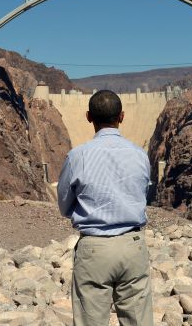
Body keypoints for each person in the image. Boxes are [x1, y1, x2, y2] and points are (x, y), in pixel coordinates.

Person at [57, 89, 153, 326]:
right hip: (133, 246)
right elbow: (142, 194)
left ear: (89, 117)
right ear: (122, 116)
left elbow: (63, 204)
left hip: (94, 250)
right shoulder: (140, 155)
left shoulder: (77, 156)